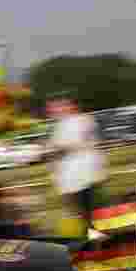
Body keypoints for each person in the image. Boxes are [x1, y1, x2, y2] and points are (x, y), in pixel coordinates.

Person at [46, 94, 108, 241]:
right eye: (54, 107)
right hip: (71, 173)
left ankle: (94, 235)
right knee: (80, 207)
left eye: (60, 106)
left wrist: (54, 147)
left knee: (86, 205)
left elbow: (75, 142)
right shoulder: (61, 124)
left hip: (83, 170)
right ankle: (91, 234)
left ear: (72, 106)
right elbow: (57, 147)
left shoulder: (83, 120)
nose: (55, 110)